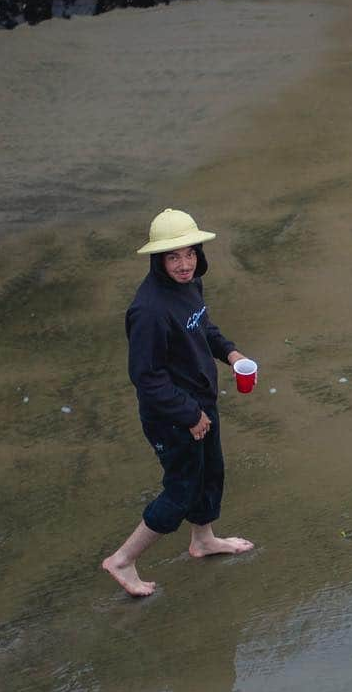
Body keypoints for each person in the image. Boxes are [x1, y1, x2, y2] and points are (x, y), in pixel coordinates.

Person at [102, 208, 254, 597]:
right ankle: (122, 560)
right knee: (181, 490)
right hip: (172, 415)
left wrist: (231, 354)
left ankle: (203, 540)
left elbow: (203, 327)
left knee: (211, 473)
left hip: (200, 401)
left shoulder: (190, 285)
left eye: (189, 254)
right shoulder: (148, 310)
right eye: (174, 257)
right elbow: (146, 377)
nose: (184, 264)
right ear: (158, 259)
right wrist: (189, 415)